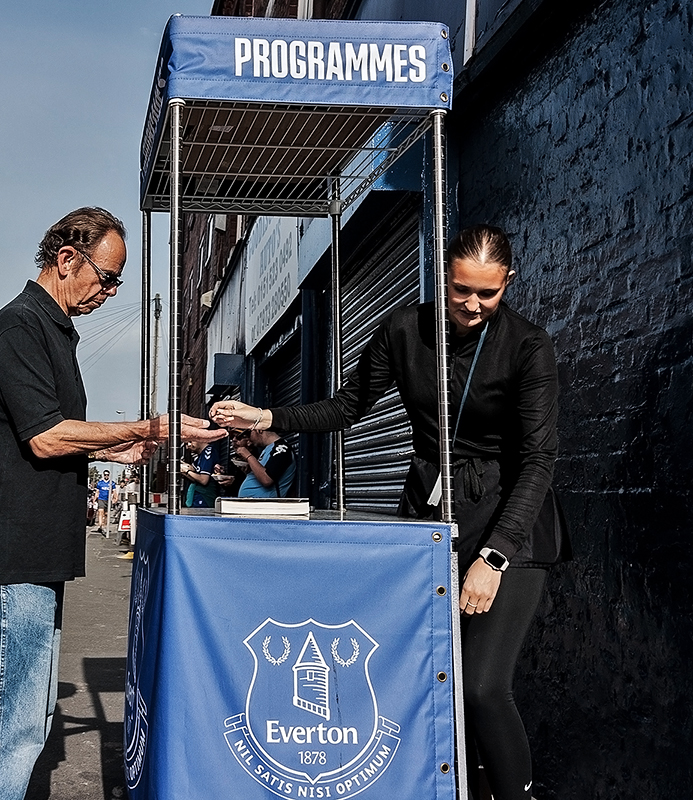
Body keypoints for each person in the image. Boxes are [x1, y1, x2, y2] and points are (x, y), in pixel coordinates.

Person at [210, 224, 569, 800]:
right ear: (442, 276)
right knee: (434, 683)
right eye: (460, 291)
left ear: (508, 284)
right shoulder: (404, 330)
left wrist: (493, 557)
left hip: (511, 527)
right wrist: (266, 418)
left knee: (479, 686)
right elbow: (349, 406)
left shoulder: (529, 346)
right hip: (430, 520)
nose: (472, 306)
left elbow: (539, 460)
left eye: (488, 293)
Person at [0, 206, 225, 800]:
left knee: (27, 721)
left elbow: (54, 439)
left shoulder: (52, 331)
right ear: (67, 259)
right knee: (5, 731)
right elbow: (46, 435)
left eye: (117, 282)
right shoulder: (21, 327)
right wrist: (151, 427)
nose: (110, 291)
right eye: (107, 276)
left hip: (33, 562)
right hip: (8, 564)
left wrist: (133, 448)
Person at [233, 426, 296, 498]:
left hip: (266, 505)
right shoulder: (268, 449)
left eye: (250, 433)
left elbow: (266, 480)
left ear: (259, 430)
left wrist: (248, 456)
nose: (249, 438)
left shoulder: (281, 449)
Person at [178, 438, 226, 507]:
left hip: (205, 497)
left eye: (190, 441)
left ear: (199, 438)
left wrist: (187, 471)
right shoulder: (200, 455)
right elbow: (194, 475)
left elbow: (204, 480)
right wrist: (181, 469)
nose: (188, 446)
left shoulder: (208, 452)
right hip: (198, 496)